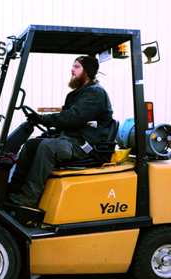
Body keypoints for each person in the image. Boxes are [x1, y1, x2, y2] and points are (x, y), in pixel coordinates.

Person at [7, 56, 114, 208]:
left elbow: (73, 117)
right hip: (71, 138)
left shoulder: (94, 93)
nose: (72, 69)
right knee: (32, 144)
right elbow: (67, 120)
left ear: (87, 72)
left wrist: (44, 119)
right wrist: (50, 129)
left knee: (48, 147)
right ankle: (15, 187)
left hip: (85, 145)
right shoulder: (79, 93)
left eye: (76, 67)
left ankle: (29, 197)